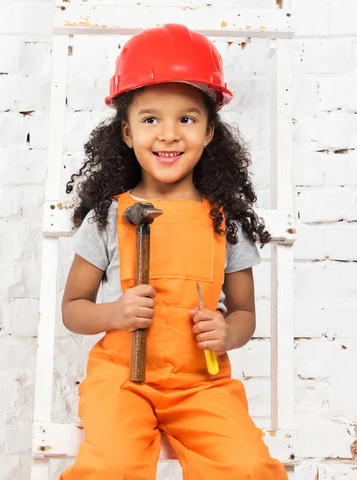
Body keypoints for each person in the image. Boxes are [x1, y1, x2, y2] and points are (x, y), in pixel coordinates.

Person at [58, 24, 287, 480]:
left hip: (201, 385)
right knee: (111, 466)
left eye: (186, 119)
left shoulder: (226, 221)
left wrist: (227, 332)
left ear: (208, 133)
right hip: (123, 381)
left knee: (248, 467)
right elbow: (72, 309)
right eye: (150, 119)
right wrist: (115, 315)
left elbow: (244, 313)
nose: (168, 134)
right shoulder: (108, 216)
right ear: (126, 133)